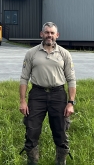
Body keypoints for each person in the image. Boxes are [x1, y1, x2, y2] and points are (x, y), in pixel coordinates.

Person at [19, 22, 76, 165]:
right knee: (31, 130)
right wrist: (22, 101)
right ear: (41, 34)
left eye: (52, 33)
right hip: (37, 95)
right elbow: (24, 78)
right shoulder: (31, 53)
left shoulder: (64, 54)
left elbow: (71, 79)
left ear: (57, 35)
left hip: (58, 95)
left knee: (60, 130)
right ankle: (32, 162)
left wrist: (70, 103)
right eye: (46, 32)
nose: (49, 35)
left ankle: (60, 161)